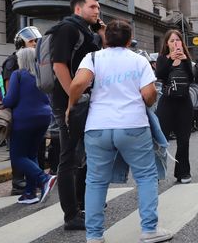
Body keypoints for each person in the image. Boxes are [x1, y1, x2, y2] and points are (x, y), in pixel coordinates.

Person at [67, 20, 172, 243]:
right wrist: (147, 100)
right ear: (128, 38)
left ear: (106, 39)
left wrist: (70, 105)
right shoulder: (138, 60)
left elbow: (77, 85)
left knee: (95, 181)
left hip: (98, 126)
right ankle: (149, 229)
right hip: (133, 124)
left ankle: (94, 235)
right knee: (145, 177)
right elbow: (149, 93)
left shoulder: (93, 58)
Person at [51, 0, 105, 230]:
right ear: (78, 8)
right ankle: (71, 215)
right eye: (93, 6)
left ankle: (82, 204)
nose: (97, 11)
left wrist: (101, 32)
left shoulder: (88, 31)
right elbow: (59, 65)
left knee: (88, 154)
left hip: (84, 100)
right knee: (69, 157)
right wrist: (72, 100)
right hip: (69, 103)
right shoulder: (67, 29)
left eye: (98, 7)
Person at [2, 48, 57, 204]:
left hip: (24, 119)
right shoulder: (41, 75)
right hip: (44, 117)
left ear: (22, 60)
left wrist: (3, 103)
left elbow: (10, 99)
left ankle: (44, 179)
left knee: (17, 156)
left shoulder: (18, 74)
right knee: (31, 155)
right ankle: (30, 193)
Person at [2, 26, 44, 195]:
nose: (35, 44)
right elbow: (8, 89)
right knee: (19, 151)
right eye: (31, 41)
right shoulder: (13, 61)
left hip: (32, 113)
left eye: (36, 41)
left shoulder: (35, 60)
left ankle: (32, 185)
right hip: (19, 113)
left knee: (33, 150)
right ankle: (19, 181)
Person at [155, 30, 195, 184]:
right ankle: (156, 173)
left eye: (177, 40)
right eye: (171, 41)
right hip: (167, 101)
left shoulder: (186, 59)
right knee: (161, 139)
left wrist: (185, 61)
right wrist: (170, 59)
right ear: (167, 43)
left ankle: (183, 172)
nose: (175, 43)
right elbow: (160, 74)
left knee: (184, 140)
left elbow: (191, 79)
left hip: (184, 102)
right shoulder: (162, 59)